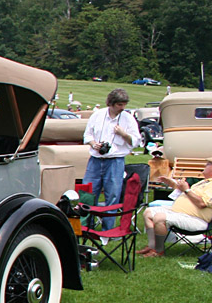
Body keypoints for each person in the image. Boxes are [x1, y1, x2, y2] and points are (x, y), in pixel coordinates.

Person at [82, 88, 141, 230]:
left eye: (124, 104)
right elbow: (87, 135)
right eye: (119, 105)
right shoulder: (97, 115)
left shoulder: (128, 118)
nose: (122, 108)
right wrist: (93, 144)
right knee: (87, 193)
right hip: (95, 160)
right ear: (111, 103)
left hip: (115, 161)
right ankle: (85, 227)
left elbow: (136, 141)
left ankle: (108, 230)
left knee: (112, 195)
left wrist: (123, 134)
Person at [139, 157, 212, 257]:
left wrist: (186, 190)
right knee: (149, 212)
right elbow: (186, 194)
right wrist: (173, 184)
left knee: (159, 218)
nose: (205, 165)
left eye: (208, 164)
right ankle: (152, 246)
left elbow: (201, 203)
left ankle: (158, 251)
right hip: (180, 213)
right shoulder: (204, 182)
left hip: (196, 219)